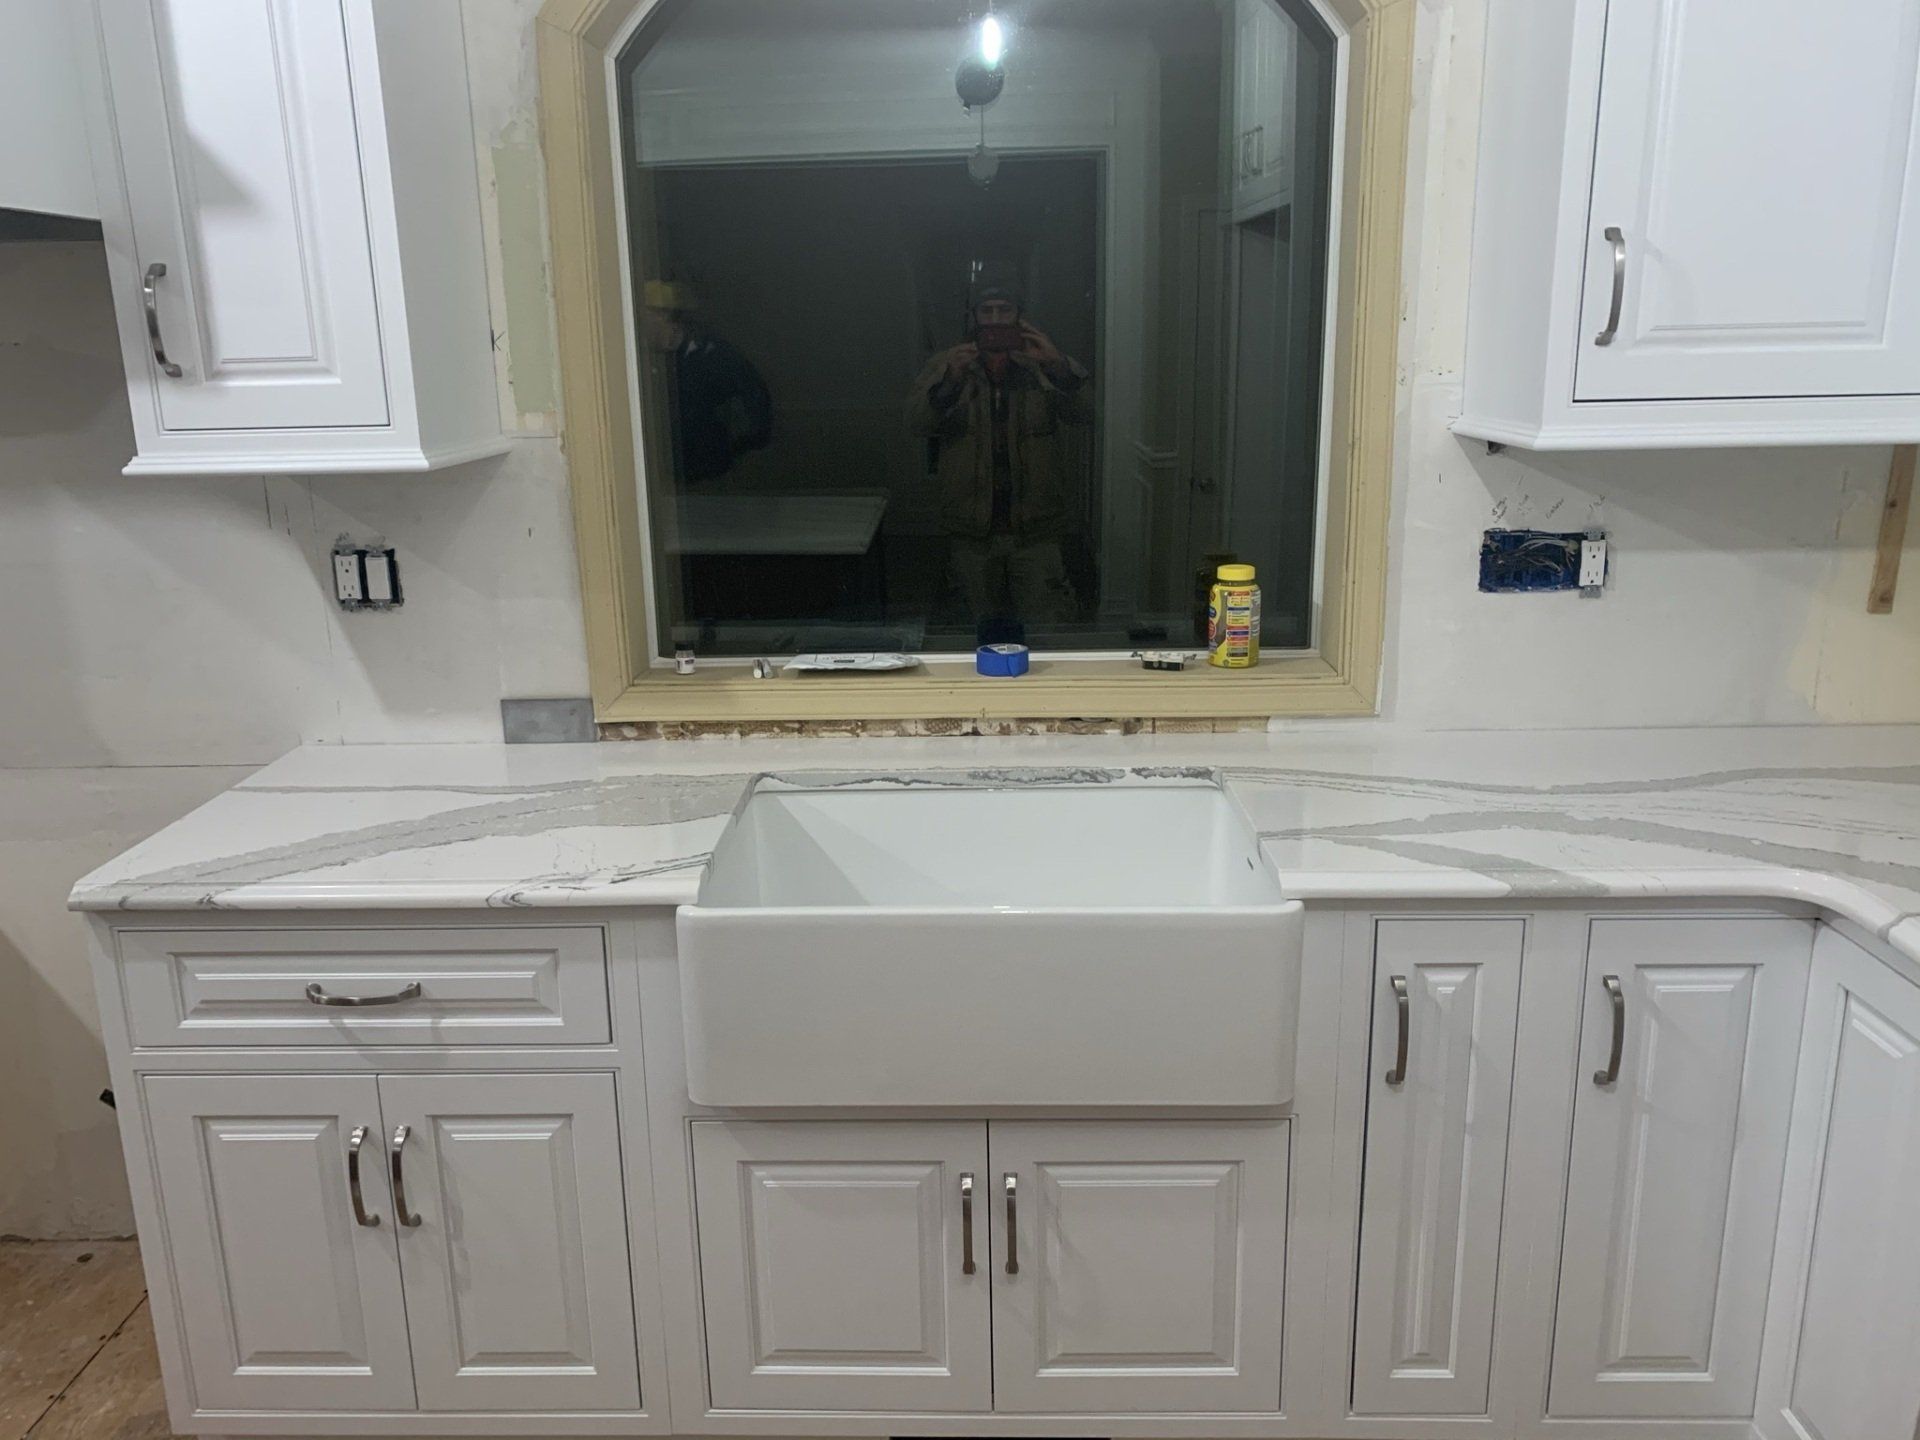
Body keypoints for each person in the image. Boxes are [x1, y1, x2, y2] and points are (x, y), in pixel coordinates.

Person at [905, 272, 1093, 631]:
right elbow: (916, 424)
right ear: (973, 318)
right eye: (985, 311)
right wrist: (949, 384)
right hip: (971, 529)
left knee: (1047, 626)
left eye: (1003, 310)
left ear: (1018, 316)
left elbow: (1086, 414)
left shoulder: (1042, 364)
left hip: (1036, 528)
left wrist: (1057, 366)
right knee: (972, 629)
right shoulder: (949, 365)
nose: (993, 320)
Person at [641, 279, 772, 485]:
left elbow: (756, 415)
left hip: (706, 480)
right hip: (667, 480)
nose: (637, 325)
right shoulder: (642, 365)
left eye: (643, 315)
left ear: (663, 315)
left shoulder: (716, 357)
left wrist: (727, 452)